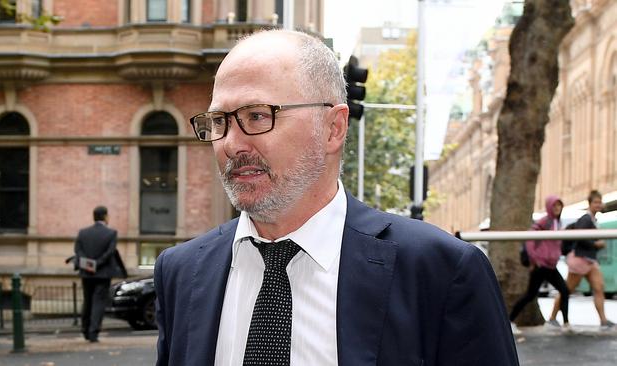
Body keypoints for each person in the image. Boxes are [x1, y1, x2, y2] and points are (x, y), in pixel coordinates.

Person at [154, 30, 519, 366]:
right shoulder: (181, 272)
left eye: (257, 115)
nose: (232, 144)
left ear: (334, 128)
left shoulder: (439, 272)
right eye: (219, 121)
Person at [549, 190, 615, 330]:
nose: (598, 205)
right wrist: (596, 244)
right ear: (590, 203)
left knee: (599, 288)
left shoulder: (593, 219)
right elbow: (580, 237)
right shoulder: (585, 219)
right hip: (580, 260)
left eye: (599, 202)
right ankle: (552, 318)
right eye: (595, 202)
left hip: (590, 261)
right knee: (566, 290)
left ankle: (603, 321)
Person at [508, 195, 570, 334]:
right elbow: (529, 240)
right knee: (531, 295)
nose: (557, 208)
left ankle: (565, 323)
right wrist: (535, 260)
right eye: (554, 206)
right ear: (549, 207)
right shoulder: (545, 221)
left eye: (559, 206)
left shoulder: (557, 222)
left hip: (551, 266)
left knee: (563, 291)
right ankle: (509, 321)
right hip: (542, 266)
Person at [74, 205, 123, 342]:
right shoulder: (111, 233)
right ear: (105, 216)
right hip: (102, 273)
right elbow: (109, 253)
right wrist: (97, 264)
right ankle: (93, 332)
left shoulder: (83, 233)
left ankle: (85, 330)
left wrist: (88, 265)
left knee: (87, 301)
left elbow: (78, 251)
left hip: (86, 273)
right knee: (98, 303)